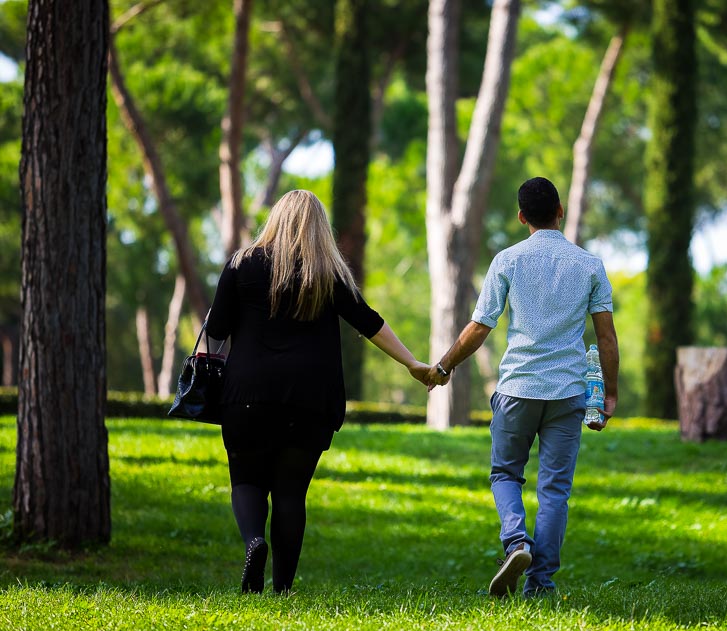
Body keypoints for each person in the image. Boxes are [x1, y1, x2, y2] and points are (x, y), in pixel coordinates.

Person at [206, 189, 431, 594]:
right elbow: (369, 322)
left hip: (246, 395)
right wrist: (413, 363)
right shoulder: (328, 274)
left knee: (246, 481)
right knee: (291, 494)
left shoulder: (241, 264)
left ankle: (254, 542)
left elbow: (217, 330)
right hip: (310, 399)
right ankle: (283, 589)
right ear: (319, 228)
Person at [427, 176, 619, 598]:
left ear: (521, 217)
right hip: (568, 393)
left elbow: (479, 328)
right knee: (554, 490)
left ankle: (516, 542)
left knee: (505, 473)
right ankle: (541, 583)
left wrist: (443, 367)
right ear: (560, 211)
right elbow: (605, 336)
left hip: (517, 388)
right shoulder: (589, 264)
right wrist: (609, 393)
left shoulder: (508, 260)